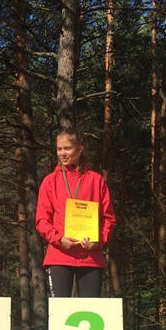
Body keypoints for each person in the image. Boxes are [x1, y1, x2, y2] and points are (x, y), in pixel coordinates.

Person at [35, 127, 116, 298]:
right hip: (59, 256)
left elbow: (109, 218)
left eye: (67, 148)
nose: (62, 153)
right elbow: (42, 220)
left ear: (79, 149)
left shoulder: (96, 180)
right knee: (60, 310)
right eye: (59, 149)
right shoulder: (50, 181)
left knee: (89, 309)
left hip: (90, 257)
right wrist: (59, 239)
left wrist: (98, 242)